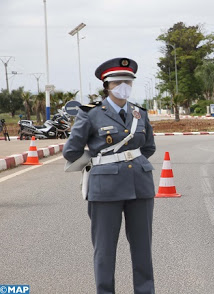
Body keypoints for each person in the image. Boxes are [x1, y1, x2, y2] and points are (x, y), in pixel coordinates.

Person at [63, 57, 156, 294]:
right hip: (105, 190)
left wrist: (129, 160)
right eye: (118, 82)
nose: (123, 85)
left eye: (128, 81)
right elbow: (71, 151)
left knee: (143, 248)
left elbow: (148, 147)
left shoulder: (139, 113)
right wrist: (102, 163)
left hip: (140, 185)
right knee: (104, 251)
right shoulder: (90, 114)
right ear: (107, 85)